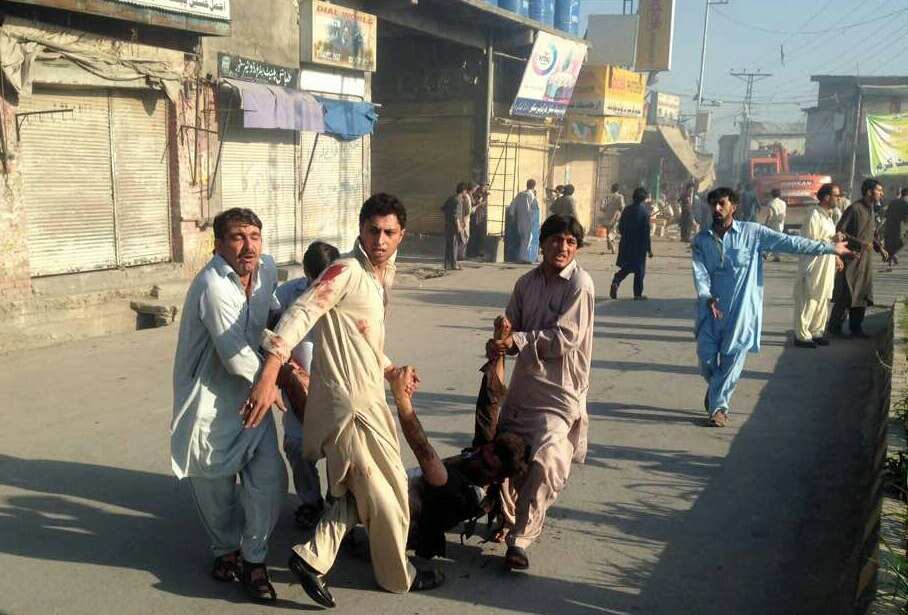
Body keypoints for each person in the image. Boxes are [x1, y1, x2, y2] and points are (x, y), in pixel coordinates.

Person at [243, 194, 442, 607]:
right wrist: (270, 370)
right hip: (349, 407)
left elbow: (365, 339)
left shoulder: (380, 277)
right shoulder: (347, 270)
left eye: (389, 232)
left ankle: (312, 559)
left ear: (401, 235)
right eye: (373, 230)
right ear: (360, 229)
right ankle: (396, 576)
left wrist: (390, 370)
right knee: (388, 495)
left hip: (368, 398)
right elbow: (300, 312)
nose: (380, 240)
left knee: (357, 489)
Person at [171, 208, 288, 604]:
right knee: (216, 493)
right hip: (210, 405)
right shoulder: (212, 285)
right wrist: (277, 380)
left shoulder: (267, 269)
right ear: (218, 245)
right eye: (238, 237)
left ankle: (254, 561)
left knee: (268, 482)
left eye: (254, 236)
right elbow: (236, 355)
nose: (248, 245)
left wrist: (286, 345)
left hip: (255, 397)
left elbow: (272, 310)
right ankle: (225, 551)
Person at [486, 214, 595, 571]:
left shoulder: (581, 284)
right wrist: (501, 337)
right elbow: (510, 325)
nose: (562, 247)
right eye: (555, 240)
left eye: (570, 242)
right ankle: (507, 518)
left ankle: (521, 539)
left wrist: (516, 340)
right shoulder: (525, 283)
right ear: (542, 242)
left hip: (560, 394)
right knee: (506, 456)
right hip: (523, 390)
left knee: (546, 461)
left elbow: (565, 339)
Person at [692, 187, 851, 427]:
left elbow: (790, 242)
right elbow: (700, 272)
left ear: (733, 207)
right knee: (706, 362)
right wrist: (706, 296)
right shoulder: (701, 240)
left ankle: (718, 408)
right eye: (713, 204)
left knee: (731, 361)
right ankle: (717, 387)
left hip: (741, 314)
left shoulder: (752, 233)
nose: (716, 208)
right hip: (710, 312)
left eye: (721, 203)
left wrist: (829, 248)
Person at [386, 366, 531, 561]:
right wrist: (498, 352)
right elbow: (489, 404)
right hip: (398, 488)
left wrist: (402, 399)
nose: (478, 459)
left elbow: (423, 449)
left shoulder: (464, 493)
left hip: (396, 517)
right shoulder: (482, 455)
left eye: (486, 464)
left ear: (497, 477)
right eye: (482, 452)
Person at [273, 241, 341, 530]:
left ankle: (339, 504)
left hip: (338, 388)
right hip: (298, 386)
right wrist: (283, 374)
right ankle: (311, 502)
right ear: (306, 272)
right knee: (297, 447)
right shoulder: (288, 294)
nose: (320, 285)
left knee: (342, 452)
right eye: (315, 278)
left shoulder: (345, 291)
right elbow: (272, 332)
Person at [828, 179, 888, 339]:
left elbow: (871, 233)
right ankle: (834, 327)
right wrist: (860, 243)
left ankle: (856, 328)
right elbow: (840, 231)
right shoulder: (854, 209)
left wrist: (879, 247)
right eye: (879, 190)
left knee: (863, 294)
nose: (882, 193)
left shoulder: (872, 210)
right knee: (847, 294)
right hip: (851, 259)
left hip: (866, 261)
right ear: (869, 192)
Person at [793, 184, 844, 348]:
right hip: (813, 265)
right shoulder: (813, 215)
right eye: (837, 195)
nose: (839, 198)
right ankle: (802, 336)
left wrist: (836, 257)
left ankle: (816, 331)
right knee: (809, 298)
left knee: (823, 298)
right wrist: (832, 241)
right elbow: (809, 243)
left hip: (826, 264)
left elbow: (829, 240)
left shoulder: (828, 216)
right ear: (826, 197)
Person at [610, 187, 653, 300]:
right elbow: (646, 232)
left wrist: (626, 236)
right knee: (639, 271)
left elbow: (620, 227)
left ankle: (616, 281)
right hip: (639, 246)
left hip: (626, 243)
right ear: (644, 199)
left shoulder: (627, 210)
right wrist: (649, 249)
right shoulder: (645, 213)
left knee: (627, 267)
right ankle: (637, 294)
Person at [506, 179, 538, 263]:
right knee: (528, 239)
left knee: (523, 239)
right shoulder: (532, 195)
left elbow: (512, 206)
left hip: (520, 220)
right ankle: (525, 258)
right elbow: (535, 209)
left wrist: (512, 216)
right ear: (534, 186)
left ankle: (523, 257)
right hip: (529, 220)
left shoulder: (520, 194)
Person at [442, 183, 469, 270]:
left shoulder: (451, 198)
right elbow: (456, 216)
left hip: (448, 225)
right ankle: (454, 265)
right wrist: (459, 227)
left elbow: (443, 208)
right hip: (454, 227)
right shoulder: (458, 200)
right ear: (463, 191)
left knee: (449, 245)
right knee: (454, 245)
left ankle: (447, 265)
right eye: (466, 191)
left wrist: (448, 218)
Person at [883, 187, 908, 268]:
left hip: (889, 226)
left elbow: (886, 214)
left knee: (891, 243)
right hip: (900, 227)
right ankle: (893, 255)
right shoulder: (906, 203)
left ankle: (891, 258)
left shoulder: (893, 202)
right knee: (901, 241)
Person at [466, 183, 489, 259]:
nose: (484, 188)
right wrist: (479, 201)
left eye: (486, 187)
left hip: (481, 218)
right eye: (483, 187)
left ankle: (478, 251)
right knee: (473, 235)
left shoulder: (484, 194)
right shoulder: (474, 195)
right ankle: (471, 252)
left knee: (480, 235)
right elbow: (473, 204)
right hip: (475, 217)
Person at [601, 183, 625, 253]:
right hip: (615, 217)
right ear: (618, 189)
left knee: (610, 231)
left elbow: (602, 207)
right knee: (612, 232)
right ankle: (612, 245)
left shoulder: (607, 197)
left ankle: (611, 247)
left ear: (611, 189)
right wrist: (621, 213)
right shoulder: (620, 197)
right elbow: (622, 207)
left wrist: (606, 210)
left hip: (606, 217)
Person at [764, 188, 788, 262]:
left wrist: (766, 223)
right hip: (781, 223)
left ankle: (770, 255)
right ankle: (770, 255)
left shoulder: (771, 203)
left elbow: (770, 215)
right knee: (776, 239)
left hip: (773, 224)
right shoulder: (783, 203)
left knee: (771, 239)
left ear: (771, 194)